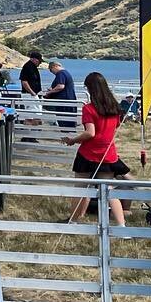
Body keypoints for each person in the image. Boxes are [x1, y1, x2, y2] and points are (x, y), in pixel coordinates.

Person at [63, 72, 128, 226]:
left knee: (81, 189)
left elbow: (90, 133)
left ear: (91, 89)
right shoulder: (115, 108)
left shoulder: (89, 109)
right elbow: (116, 126)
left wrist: (73, 140)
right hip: (108, 154)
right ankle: (122, 227)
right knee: (110, 192)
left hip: (88, 155)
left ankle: (73, 222)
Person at [44, 59, 78, 127]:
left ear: (55, 66)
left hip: (64, 102)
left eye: (51, 70)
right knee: (69, 121)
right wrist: (52, 89)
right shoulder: (65, 73)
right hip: (69, 100)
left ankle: (66, 135)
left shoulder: (60, 73)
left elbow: (60, 86)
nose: (51, 72)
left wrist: (49, 93)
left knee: (64, 122)